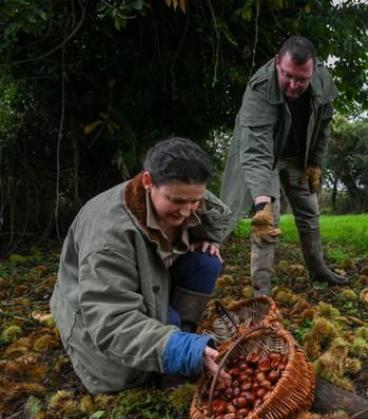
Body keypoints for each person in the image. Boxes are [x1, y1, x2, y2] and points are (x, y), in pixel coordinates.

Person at [50, 137, 233, 394]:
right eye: (176, 201)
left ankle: (183, 333)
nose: (186, 212)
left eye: (195, 202)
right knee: (162, 324)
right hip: (100, 311)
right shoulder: (107, 235)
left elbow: (210, 214)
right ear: (148, 182)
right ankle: (175, 348)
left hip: (154, 279)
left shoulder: (183, 195)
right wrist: (179, 349)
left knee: (206, 262)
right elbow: (110, 321)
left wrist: (205, 237)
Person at [220, 36, 348, 296]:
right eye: (288, 76)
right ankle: (261, 292)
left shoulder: (323, 80)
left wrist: (315, 163)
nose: (293, 84)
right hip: (265, 156)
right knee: (269, 221)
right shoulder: (259, 88)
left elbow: (323, 126)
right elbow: (256, 152)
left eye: (302, 79)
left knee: (310, 212)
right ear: (278, 63)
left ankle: (318, 268)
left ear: (313, 70)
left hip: (297, 156)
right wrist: (261, 201)